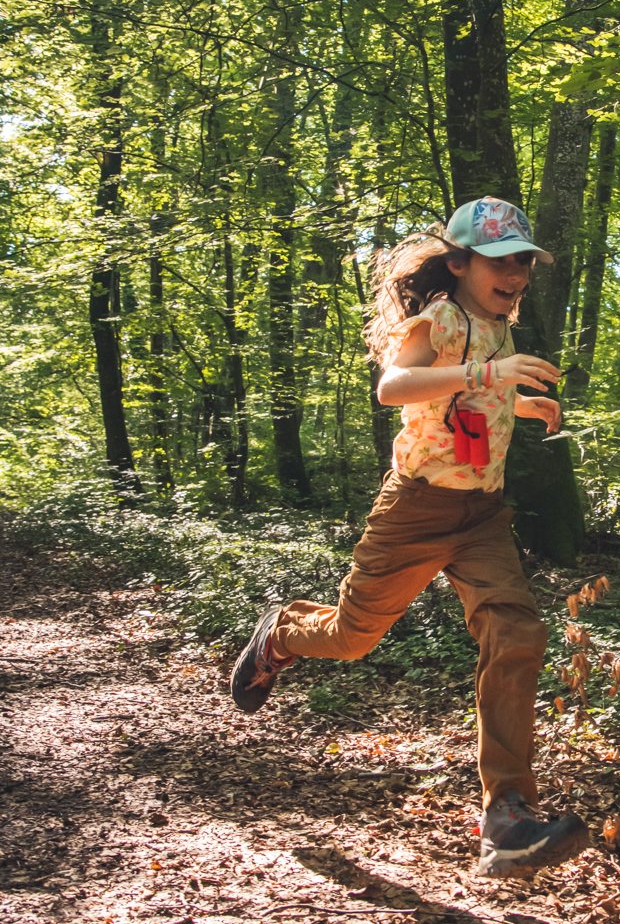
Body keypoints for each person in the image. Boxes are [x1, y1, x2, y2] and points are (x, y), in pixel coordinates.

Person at [229, 196, 591, 880]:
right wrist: (492, 375)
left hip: (482, 516)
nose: (514, 274)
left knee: (517, 633)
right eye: (499, 261)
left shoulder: (498, 327)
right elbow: (395, 386)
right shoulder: (442, 318)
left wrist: (519, 402)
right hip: (415, 510)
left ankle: (507, 815)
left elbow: (469, 400)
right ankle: (282, 632)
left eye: (522, 262)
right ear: (458, 264)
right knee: (352, 638)